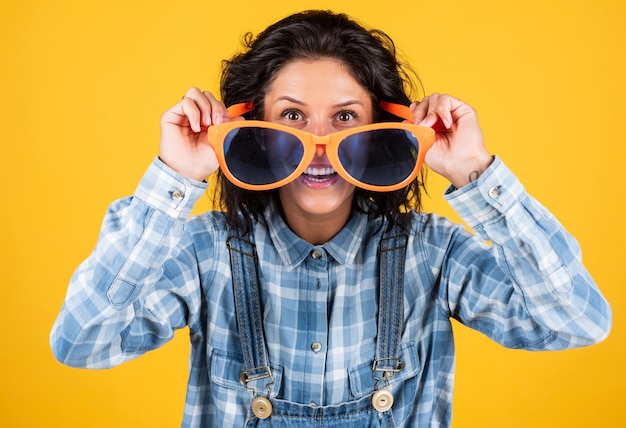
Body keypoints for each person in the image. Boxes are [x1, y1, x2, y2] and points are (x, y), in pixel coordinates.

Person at [50, 9, 611, 427]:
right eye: (292, 116)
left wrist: (475, 173)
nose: (320, 145)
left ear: (378, 134)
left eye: (346, 117)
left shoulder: (432, 254)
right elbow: (81, 342)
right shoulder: (205, 254)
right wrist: (175, 178)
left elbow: (577, 322)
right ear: (258, 132)